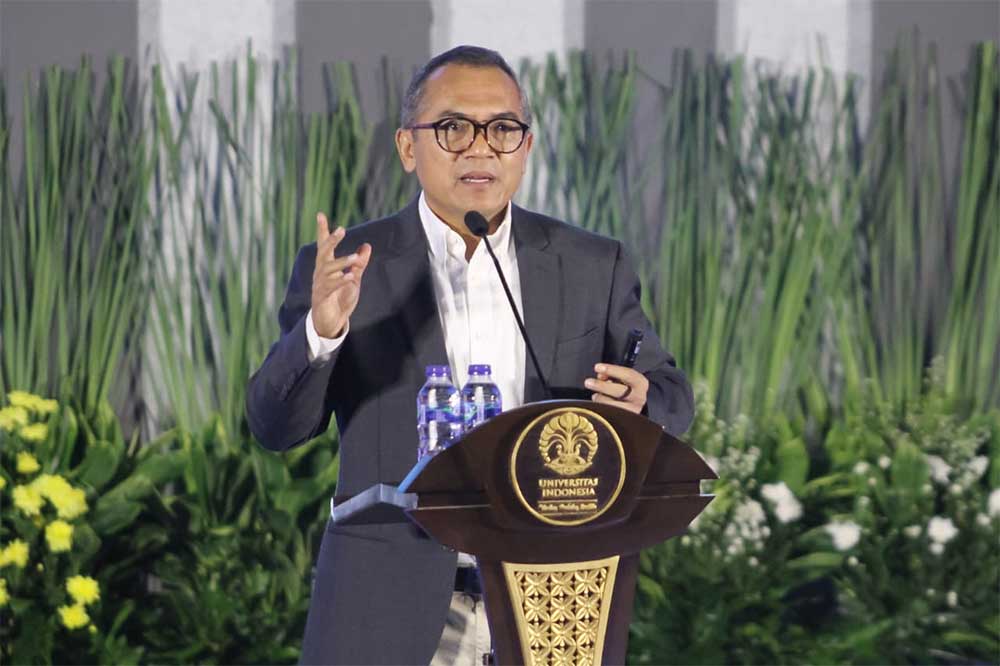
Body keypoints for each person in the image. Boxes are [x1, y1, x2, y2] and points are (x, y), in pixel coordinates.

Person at [246, 45, 694, 666]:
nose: (480, 148)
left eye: (502, 128)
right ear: (408, 147)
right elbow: (275, 427)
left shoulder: (591, 263)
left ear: (526, 148)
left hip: (553, 600)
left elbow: (670, 393)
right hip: (385, 606)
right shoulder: (349, 267)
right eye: (453, 127)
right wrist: (320, 334)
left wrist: (642, 403)